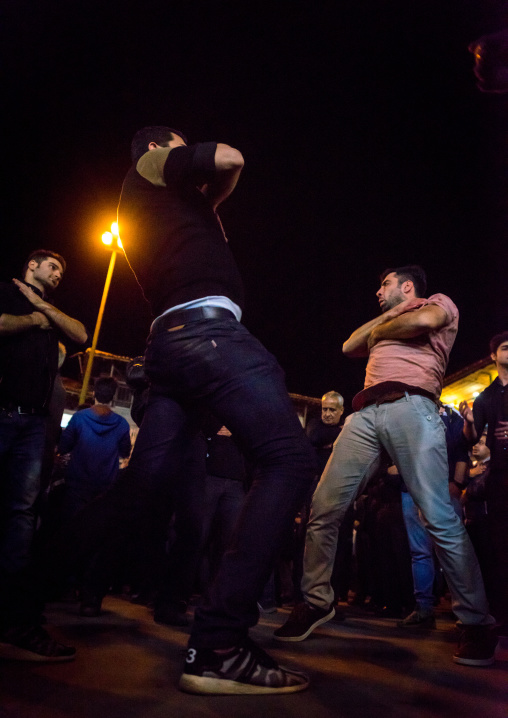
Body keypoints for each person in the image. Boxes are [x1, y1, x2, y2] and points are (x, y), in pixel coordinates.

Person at [41, 127, 315, 693]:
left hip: (172, 347)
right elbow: (232, 156)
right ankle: (219, 644)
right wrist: (198, 161)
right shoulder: (147, 169)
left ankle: (18, 597)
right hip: (208, 336)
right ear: (159, 147)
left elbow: (222, 183)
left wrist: (213, 194)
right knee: (288, 457)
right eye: (176, 144)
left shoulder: (179, 202)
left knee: (140, 489)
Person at [274, 264, 497, 666]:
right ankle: (317, 600)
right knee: (323, 508)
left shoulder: (438, 301)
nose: (378, 292)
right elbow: (349, 345)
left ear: (407, 286)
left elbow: (427, 320)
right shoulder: (386, 319)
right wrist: (387, 323)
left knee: (438, 517)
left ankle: (477, 621)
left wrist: (383, 328)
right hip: (364, 414)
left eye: (385, 285)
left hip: (413, 405)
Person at [0, 249, 87, 661]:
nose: (57, 273)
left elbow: (82, 335)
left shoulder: (50, 310)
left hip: (34, 426)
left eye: (61, 270)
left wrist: (45, 309)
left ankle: (15, 620)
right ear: (30, 265)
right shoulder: (7, 293)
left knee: (22, 515)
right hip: (2, 412)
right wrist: (34, 316)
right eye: (51, 266)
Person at [58, 376, 131, 616]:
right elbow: (124, 452)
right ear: (112, 395)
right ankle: (90, 596)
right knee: (98, 541)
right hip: (104, 488)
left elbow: (65, 446)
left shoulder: (79, 418)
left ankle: (67, 586)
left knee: (72, 534)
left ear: (94, 393)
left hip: (78, 484)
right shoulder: (121, 424)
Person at [460, 331, 508, 636]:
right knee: (499, 545)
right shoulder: (487, 396)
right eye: (505, 347)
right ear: (494, 356)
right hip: (499, 479)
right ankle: (500, 614)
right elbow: (471, 437)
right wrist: (467, 420)